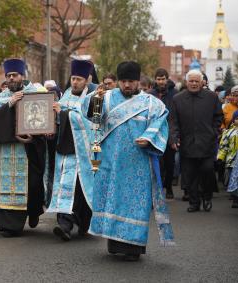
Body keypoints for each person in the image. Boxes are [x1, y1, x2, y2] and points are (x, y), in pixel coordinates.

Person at [84, 61, 174, 261]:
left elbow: (161, 121)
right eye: (123, 81)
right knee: (113, 201)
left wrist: (149, 137)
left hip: (138, 164)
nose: (127, 85)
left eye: (131, 81)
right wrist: (94, 99)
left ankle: (133, 249)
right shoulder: (105, 98)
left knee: (135, 204)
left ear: (138, 81)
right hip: (111, 162)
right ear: (118, 81)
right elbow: (93, 117)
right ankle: (114, 245)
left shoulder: (151, 103)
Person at [0, 58, 46, 237]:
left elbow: (44, 120)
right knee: (7, 185)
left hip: (30, 149)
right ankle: (8, 223)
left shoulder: (36, 92)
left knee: (32, 184)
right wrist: (9, 104)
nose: (11, 79)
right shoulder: (2, 98)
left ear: (22, 75)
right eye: (8, 76)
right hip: (7, 149)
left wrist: (34, 134)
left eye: (14, 75)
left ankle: (32, 212)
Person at [48, 59, 94, 241]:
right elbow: (57, 122)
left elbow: (92, 124)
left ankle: (84, 224)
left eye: (79, 79)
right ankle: (64, 225)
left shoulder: (92, 99)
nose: (75, 82)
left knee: (81, 191)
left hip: (84, 154)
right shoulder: (64, 96)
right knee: (63, 188)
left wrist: (63, 114)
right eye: (73, 78)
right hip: (64, 152)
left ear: (87, 80)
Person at [170, 69, 223, 213]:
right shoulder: (178, 99)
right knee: (190, 174)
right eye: (191, 81)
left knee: (207, 170)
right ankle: (194, 202)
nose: (193, 83)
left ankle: (207, 197)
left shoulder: (212, 97)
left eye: (196, 81)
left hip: (207, 142)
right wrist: (174, 138)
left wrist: (214, 131)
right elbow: (173, 122)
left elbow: (219, 117)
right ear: (187, 82)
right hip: (187, 143)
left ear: (201, 82)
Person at [149, 68, 178, 199]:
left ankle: (169, 187)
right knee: (158, 163)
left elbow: (175, 116)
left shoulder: (174, 94)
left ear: (167, 79)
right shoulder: (150, 94)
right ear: (155, 80)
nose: (161, 81)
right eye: (158, 79)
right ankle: (159, 189)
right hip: (155, 133)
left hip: (170, 133)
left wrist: (175, 137)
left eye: (163, 78)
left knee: (170, 163)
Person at [217, 110, 238, 208]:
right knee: (232, 178)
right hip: (231, 161)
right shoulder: (229, 132)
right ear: (233, 120)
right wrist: (220, 157)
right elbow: (223, 146)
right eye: (237, 119)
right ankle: (235, 198)